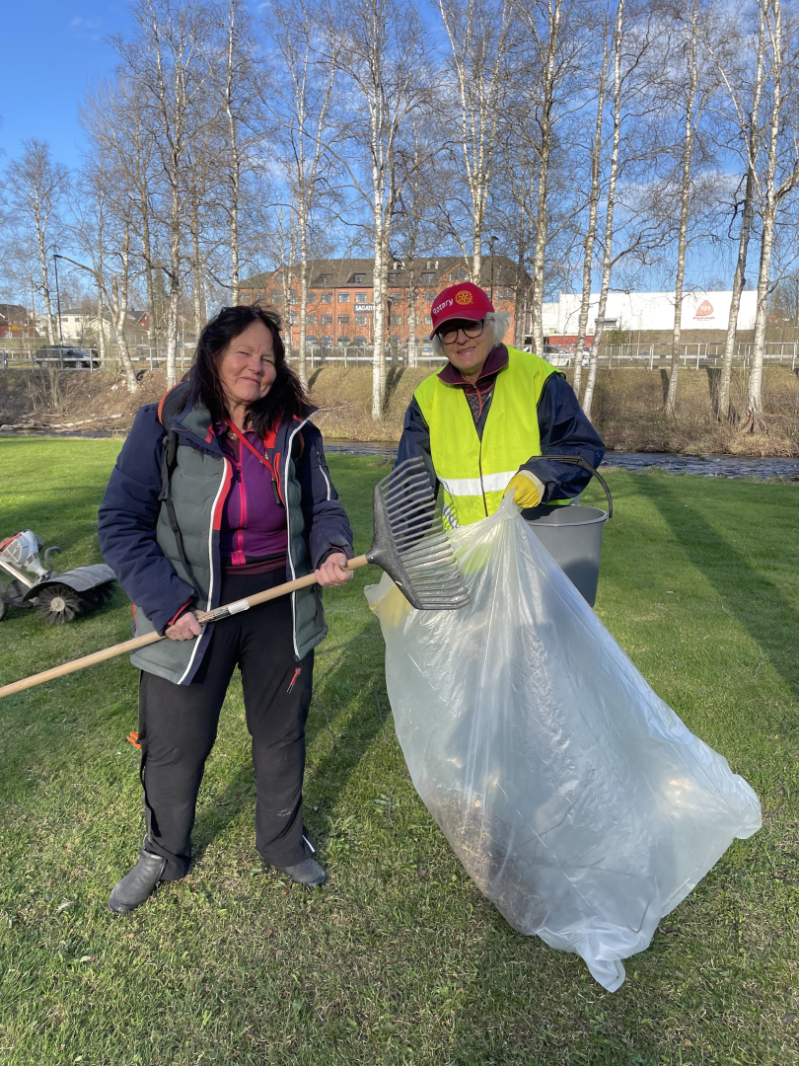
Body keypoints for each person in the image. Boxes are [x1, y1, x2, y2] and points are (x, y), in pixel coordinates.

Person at [98, 304, 354, 913]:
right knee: (174, 744)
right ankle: (164, 851)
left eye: (268, 358)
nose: (257, 368)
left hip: (279, 605)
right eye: (243, 352)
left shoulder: (297, 430)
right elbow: (120, 523)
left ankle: (283, 843)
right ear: (214, 354)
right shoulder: (164, 422)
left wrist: (334, 547)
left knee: (280, 735)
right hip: (189, 609)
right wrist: (166, 604)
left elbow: (324, 508)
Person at [397, 282, 605, 525]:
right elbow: (411, 487)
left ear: (492, 325)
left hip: (537, 547)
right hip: (466, 555)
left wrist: (541, 477)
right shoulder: (427, 398)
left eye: (471, 325)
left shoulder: (537, 377)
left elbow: (580, 446)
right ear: (440, 342)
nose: (461, 339)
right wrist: (396, 549)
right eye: (449, 331)